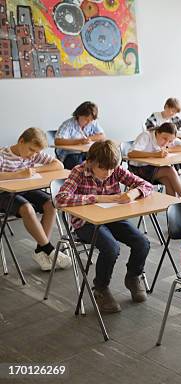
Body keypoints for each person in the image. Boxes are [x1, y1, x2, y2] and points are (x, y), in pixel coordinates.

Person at [56, 140, 153, 313]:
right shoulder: (78, 172)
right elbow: (60, 199)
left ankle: (133, 277)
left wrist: (133, 192)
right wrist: (98, 198)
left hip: (112, 218)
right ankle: (101, 288)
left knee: (142, 242)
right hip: (85, 223)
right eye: (103, 168)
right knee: (111, 248)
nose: (108, 173)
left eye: (111, 169)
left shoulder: (114, 170)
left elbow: (146, 185)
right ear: (91, 161)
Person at [0, 128, 71, 271]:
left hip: (25, 190)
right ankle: (49, 249)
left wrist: (35, 170)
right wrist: (18, 174)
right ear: (21, 141)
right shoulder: (2, 155)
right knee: (27, 208)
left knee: (51, 204)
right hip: (3, 195)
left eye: (36, 152)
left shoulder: (33, 154)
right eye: (31, 150)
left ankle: (40, 251)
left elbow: (59, 165)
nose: (32, 154)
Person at [128, 122, 181, 200]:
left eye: (170, 141)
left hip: (154, 168)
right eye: (164, 139)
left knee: (168, 181)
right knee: (170, 170)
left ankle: (173, 208)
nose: (166, 143)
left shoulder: (169, 137)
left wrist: (167, 149)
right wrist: (155, 154)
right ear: (157, 132)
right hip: (138, 169)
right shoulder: (146, 136)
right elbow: (131, 154)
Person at [55, 101, 106, 169]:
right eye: (86, 119)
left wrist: (89, 138)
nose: (88, 122)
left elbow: (102, 136)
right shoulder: (68, 124)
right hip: (70, 154)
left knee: (101, 160)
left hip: (87, 153)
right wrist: (79, 141)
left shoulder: (92, 123)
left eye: (91, 120)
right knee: (79, 165)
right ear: (79, 115)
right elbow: (58, 141)